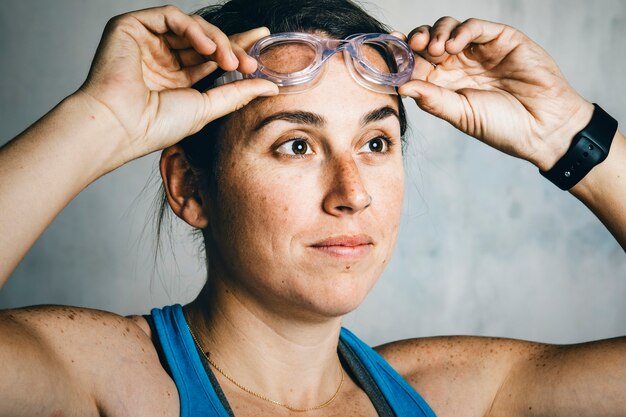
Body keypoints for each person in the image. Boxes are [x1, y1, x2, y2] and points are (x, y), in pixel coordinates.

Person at [0, 0, 624, 416]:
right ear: (191, 189)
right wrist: (96, 123)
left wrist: (567, 133)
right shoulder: (103, 381)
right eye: (296, 145)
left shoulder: (456, 394)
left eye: (375, 143)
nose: (352, 193)